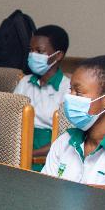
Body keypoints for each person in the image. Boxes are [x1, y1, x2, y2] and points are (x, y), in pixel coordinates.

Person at [42, 55, 105, 186]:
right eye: (70, 90)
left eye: (78, 92)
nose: (68, 98)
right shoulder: (64, 141)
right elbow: (45, 192)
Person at [13, 24, 71, 168]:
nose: (33, 55)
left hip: (46, 153)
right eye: (31, 50)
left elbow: (66, 138)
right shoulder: (25, 82)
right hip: (18, 144)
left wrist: (29, 153)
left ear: (58, 55)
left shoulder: (67, 89)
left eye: (39, 51)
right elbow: (12, 117)